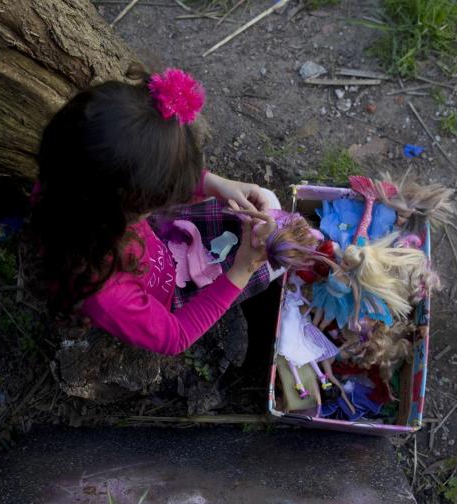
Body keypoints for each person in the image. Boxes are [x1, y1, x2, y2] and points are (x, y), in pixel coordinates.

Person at [31, 68, 283, 356]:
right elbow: (176, 337)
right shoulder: (108, 296)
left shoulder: (70, 186)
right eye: (164, 195)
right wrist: (243, 270)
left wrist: (215, 184)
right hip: (170, 299)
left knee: (267, 202)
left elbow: (143, 179)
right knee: (274, 261)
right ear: (127, 205)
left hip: (161, 248)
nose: (172, 198)